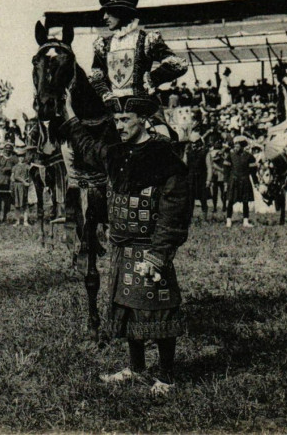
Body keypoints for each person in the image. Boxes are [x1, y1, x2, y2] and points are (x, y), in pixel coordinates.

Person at [61, 91, 191, 396]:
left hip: (149, 247)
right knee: (130, 308)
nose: (119, 126)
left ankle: (168, 377)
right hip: (122, 248)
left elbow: (175, 209)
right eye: (116, 120)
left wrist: (160, 254)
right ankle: (136, 368)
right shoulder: (116, 153)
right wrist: (69, 112)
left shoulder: (164, 156)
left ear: (143, 120)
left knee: (158, 311)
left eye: (125, 120)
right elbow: (87, 146)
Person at [89, 0, 188, 137]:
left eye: (109, 12)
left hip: (145, 110)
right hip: (113, 111)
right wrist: (105, 93)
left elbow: (178, 64)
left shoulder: (147, 40)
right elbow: (97, 76)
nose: (105, 17)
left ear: (122, 12)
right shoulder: (102, 44)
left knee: (164, 139)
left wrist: (152, 79)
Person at [225, 137, 257, 227]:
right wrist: (226, 181)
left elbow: (253, 171)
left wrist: (256, 182)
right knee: (230, 200)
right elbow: (226, 170)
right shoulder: (230, 155)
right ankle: (228, 220)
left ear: (242, 146)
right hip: (233, 180)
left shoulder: (249, 156)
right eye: (235, 145)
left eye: (238, 145)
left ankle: (245, 221)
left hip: (244, 180)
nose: (236, 147)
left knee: (245, 201)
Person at [0, 142, 16, 223]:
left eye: (9, 150)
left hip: (9, 181)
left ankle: (5, 216)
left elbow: (16, 168)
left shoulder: (14, 159)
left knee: (7, 201)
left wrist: (9, 169)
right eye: (6, 150)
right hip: (0, 180)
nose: (7, 151)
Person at [10, 146, 33, 227]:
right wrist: (13, 179)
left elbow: (30, 176)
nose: (21, 158)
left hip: (24, 187)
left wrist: (28, 182)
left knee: (25, 204)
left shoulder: (27, 166)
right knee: (17, 205)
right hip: (17, 186)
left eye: (22, 156)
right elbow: (14, 176)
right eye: (19, 156)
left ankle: (25, 221)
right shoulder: (15, 167)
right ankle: (17, 221)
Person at [205, 141, 228, 214]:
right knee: (216, 193)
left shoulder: (222, 154)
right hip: (216, 174)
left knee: (222, 192)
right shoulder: (213, 154)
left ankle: (222, 206)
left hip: (219, 175)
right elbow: (213, 162)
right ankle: (216, 207)